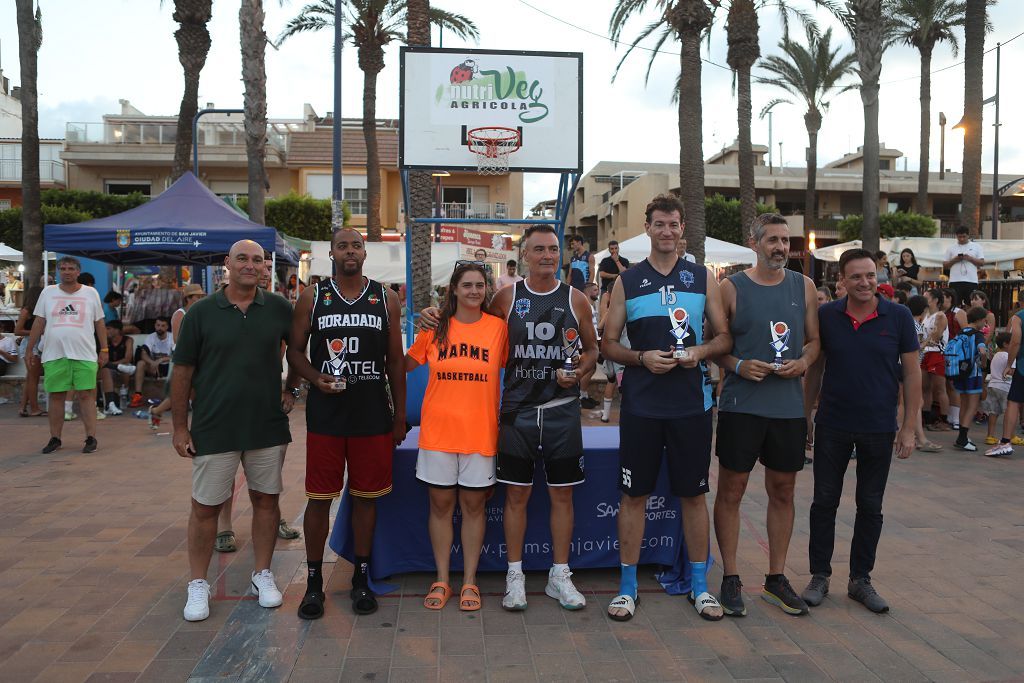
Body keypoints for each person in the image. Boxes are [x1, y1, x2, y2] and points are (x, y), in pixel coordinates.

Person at [601, 194, 731, 622]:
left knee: (693, 496)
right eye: (659, 224)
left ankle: (699, 586)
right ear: (648, 228)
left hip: (691, 404)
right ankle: (626, 589)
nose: (668, 232)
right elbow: (608, 343)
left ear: (682, 229)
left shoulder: (702, 278)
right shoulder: (628, 281)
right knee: (633, 495)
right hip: (641, 404)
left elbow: (724, 339)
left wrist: (699, 352)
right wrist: (640, 359)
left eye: (674, 224)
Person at [171, 240, 298, 622]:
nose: (250, 265)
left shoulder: (278, 307)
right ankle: (198, 583)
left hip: (265, 425)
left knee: (266, 502)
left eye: (257, 260)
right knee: (205, 507)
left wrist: (290, 388)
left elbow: (299, 353)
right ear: (227, 264)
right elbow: (182, 372)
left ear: (264, 267)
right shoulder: (201, 313)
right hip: (214, 425)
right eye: (242, 258)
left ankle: (262, 574)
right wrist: (180, 426)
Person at [288, 228, 406, 619]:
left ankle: (361, 577)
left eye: (356, 245)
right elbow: (295, 351)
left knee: (366, 498)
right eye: (343, 245)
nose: (350, 251)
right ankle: (313, 583)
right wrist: (314, 377)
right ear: (332, 253)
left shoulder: (385, 298)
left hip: (372, 413)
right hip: (327, 414)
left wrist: (399, 418)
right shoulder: (314, 296)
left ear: (365, 253)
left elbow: (394, 363)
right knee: (319, 499)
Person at [712, 214, 820, 617]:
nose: (780, 247)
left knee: (784, 492)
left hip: (787, 409)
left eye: (785, 240)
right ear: (754, 242)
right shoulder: (731, 287)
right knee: (731, 492)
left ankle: (776, 578)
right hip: (742, 406)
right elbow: (714, 345)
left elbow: (814, 343)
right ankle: (731, 576)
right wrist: (738, 366)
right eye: (772, 239)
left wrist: (803, 363)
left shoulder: (803, 287)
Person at [802, 248, 920, 614]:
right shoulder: (826, 316)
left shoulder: (898, 316)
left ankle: (860, 580)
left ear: (878, 276)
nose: (865, 282)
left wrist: (909, 427)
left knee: (870, 505)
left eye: (870, 275)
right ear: (842, 281)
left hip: (878, 426)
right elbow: (816, 370)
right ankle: (819, 575)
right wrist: (806, 415)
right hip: (833, 423)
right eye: (856, 276)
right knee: (824, 501)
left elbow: (913, 373)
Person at [406, 262, 507, 611]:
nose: (474, 291)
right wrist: (415, 320)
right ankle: (442, 579)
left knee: (474, 506)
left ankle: (469, 582)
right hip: (438, 433)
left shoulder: (498, 329)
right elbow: (404, 365)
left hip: (480, 432)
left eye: (480, 285)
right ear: (453, 289)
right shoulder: (435, 328)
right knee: (440, 505)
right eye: (467, 285)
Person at [24, 257, 108, 454]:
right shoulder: (48, 292)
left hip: (85, 353)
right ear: (58, 271)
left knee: (87, 395)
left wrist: (104, 349)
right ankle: (55, 438)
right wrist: (30, 349)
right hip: (54, 353)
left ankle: (90, 438)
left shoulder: (91, 293)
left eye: (71, 268)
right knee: (56, 395)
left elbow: (100, 323)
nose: (67, 272)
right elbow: (38, 322)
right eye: (63, 268)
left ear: (78, 271)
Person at [905, 295, 942, 453]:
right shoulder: (917, 326)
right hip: (911, 368)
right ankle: (919, 438)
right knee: (915, 402)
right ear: (924, 310)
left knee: (915, 402)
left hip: (906, 368)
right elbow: (917, 347)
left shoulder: (907, 323)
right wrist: (928, 340)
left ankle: (918, 436)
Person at [950, 307, 990, 452]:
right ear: (979, 320)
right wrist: (984, 364)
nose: (985, 323)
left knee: (964, 404)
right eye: (984, 320)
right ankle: (962, 438)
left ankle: (963, 435)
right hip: (973, 373)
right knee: (972, 406)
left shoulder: (962, 332)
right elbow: (982, 351)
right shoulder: (978, 335)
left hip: (960, 372)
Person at [128, 316, 174, 408]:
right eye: (158, 325)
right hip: (154, 367)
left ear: (167, 327)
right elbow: (143, 353)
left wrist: (160, 360)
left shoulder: (172, 337)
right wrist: (152, 362)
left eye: (162, 325)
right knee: (141, 363)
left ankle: (170, 399)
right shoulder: (151, 337)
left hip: (169, 367)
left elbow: (175, 355)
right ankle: (138, 395)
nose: (160, 328)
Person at [920, 289, 950, 431]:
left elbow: (936, 337)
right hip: (926, 353)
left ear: (935, 300)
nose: (924, 298)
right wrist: (926, 341)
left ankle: (944, 420)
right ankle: (927, 419)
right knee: (925, 387)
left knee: (940, 389)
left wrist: (925, 341)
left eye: (926, 297)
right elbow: (927, 337)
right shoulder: (926, 315)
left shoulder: (940, 316)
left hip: (937, 353)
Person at [14, 285, 46, 417]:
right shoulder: (26, 311)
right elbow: (17, 331)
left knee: (31, 377)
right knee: (33, 377)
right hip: (31, 344)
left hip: (36, 343)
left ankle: (23, 407)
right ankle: (34, 408)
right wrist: (36, 332)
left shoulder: (37, 310)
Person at [983, 332, 1018, 447]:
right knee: (1010, 412)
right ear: (1006, 344)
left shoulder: (996, 355)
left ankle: (990, 436)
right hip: (1005, 386)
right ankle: (1011, 436)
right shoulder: (1009, 356)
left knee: (993, 412)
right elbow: (1011, 372)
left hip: (993, 385)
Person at [98, 320, 135, 414]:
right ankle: (107, 401)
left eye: (108, 329)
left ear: (117, 330)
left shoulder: (128, 340)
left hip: (121, 365)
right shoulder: (105, 341)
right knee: (105, 370)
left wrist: (114, 365)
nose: (106, 331)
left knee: (126, 367)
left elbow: (127, 358)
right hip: (109, 367)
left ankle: (124, 393)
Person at [944, 226, 985, 307]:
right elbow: (945, 265)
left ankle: (970, 319)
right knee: (954, 304)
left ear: (968, 235)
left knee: (971, 304)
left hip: (971, 281)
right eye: (959, 237)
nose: (962, 239)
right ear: (956, 236)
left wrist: (970, 258)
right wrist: (955, 259)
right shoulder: (950, 248)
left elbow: (982, 262)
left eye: (964, 236)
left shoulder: (976, 246)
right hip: (955, 281)